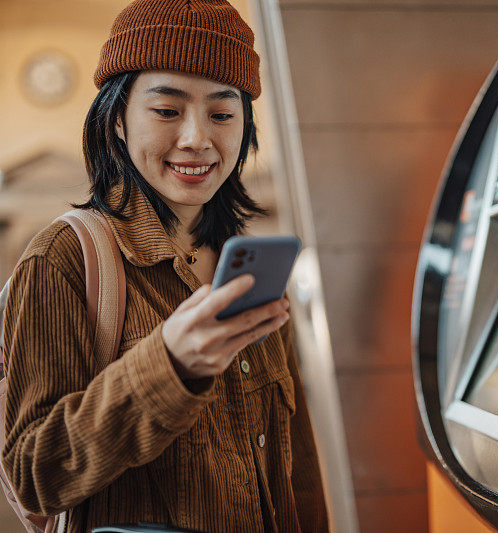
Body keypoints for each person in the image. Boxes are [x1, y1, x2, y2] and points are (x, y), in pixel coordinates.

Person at [0, 1, 328, 531]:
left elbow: (299, 470)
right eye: (167, 110)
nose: (197, 138)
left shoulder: (243, 267)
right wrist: (167, 365)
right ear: (117, 122)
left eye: (222, 113)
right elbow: (33, 475)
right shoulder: (61, 259)